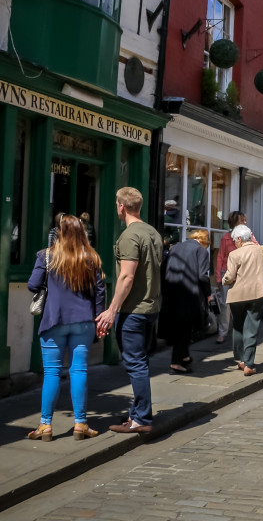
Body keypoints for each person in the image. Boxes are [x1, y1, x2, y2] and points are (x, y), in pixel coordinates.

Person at [26, 215, 105, 441]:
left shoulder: (47, 255)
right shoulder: (91, 257)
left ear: (59, 232)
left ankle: (45, 425)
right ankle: (80, 424)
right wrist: (99, 318)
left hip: (54, 320)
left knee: (51, 372)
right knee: (78, 370)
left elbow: (33, 284)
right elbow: (100, 292)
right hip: (83, 322)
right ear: (82, 233)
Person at [95, 187, 163, 434]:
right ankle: (137, 413)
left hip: (134, 309)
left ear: (121, 207)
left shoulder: (129, 236)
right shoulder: (153, 233)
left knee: (136, 364)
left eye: (116, 204)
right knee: (141, 362)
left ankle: (141, 418)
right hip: (151, 307)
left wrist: (111, 310)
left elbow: (127, 276)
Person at [223, 224, 263, 376]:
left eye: (235, 240)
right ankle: (249, 363)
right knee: (251, 327)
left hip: (237, 295)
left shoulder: (235, 254)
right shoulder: (262, 251)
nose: (234, 243)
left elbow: (230, 276)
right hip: (258, 293)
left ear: (239, 239)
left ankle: (240, 359)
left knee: (238, 326)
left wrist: (223, 281)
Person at [159, 229, 211, 374]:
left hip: (171, 292)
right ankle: (176, 363)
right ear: (204, 242)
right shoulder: (201, 251)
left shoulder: (176, 247)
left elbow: (163, 269)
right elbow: (202, 276)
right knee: (185, 328)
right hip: (189, 293)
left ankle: (185, 356)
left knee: (178, 327)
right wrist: (207, 294)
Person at [214, 211, 247, 344]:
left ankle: (241, 331)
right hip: (227, 272)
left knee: (242, 303)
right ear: (234, 222)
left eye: (245, 220)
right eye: (242, 220)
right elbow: (220, 257)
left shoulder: (248, 236)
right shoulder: (226, 237)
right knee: (225, 304)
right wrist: (218, 278)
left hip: (243, 273)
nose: (245, 223)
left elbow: (256, 249)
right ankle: (222, 332)